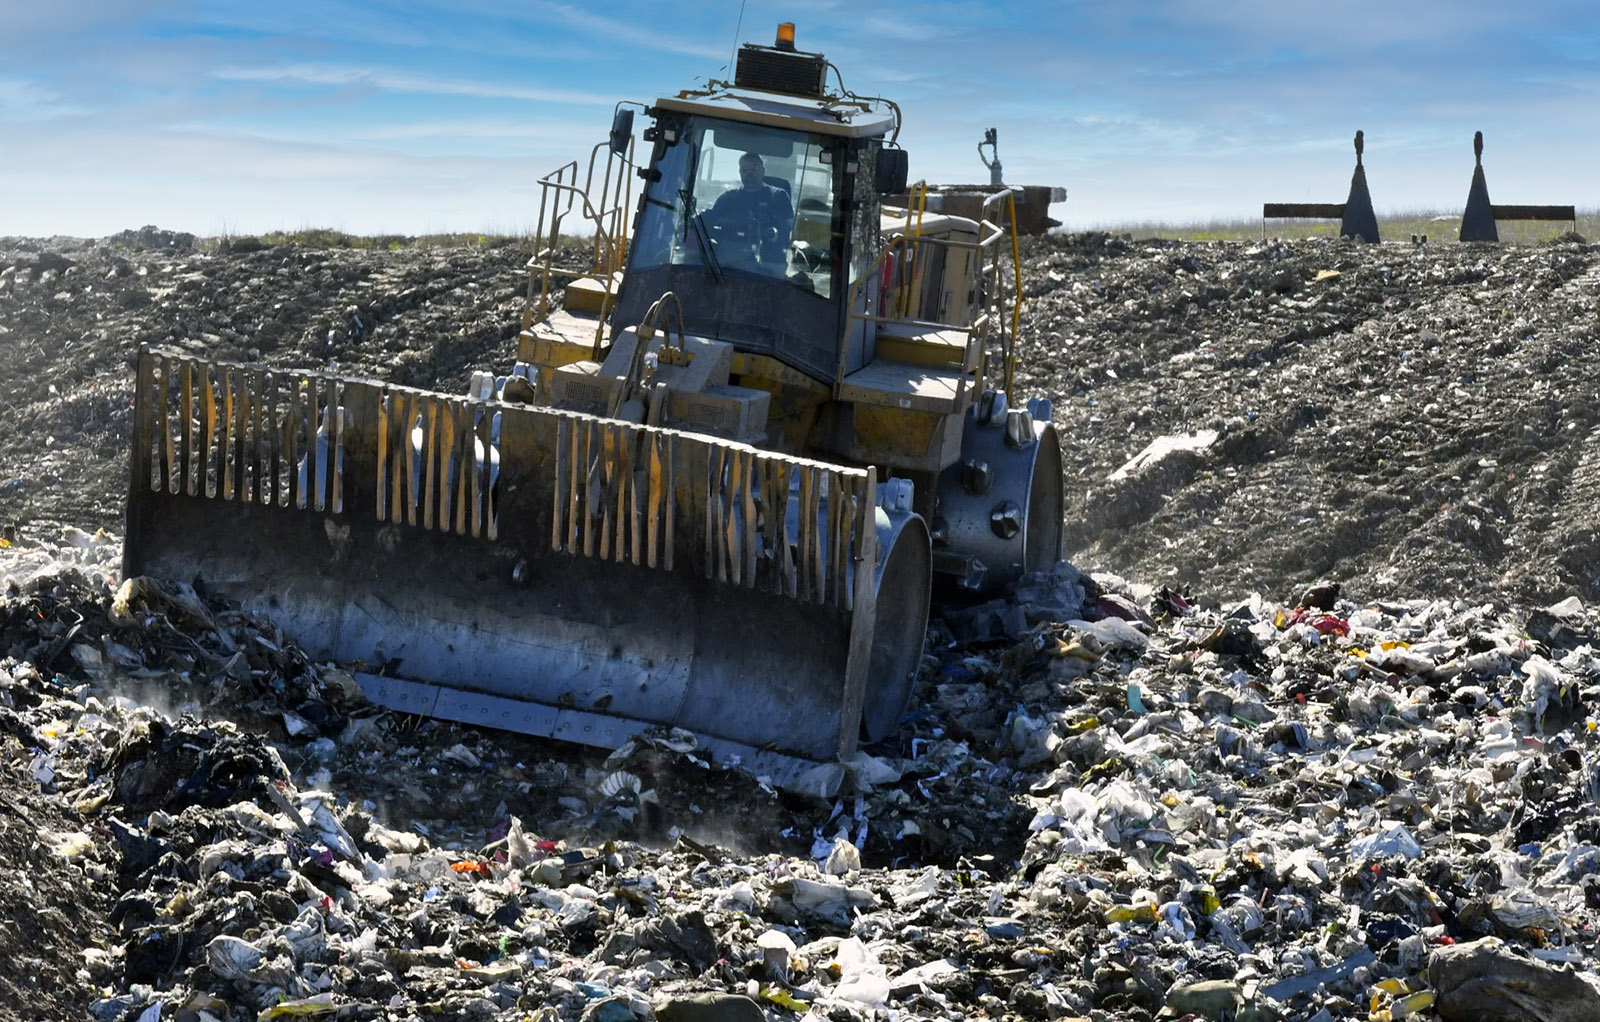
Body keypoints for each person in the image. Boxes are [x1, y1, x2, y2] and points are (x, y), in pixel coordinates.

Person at [706, 152, 793, 268]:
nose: (749, 174)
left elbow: (788, 229)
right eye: (745, 170)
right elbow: (707, 224)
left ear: (762, 170)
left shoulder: (778, 197)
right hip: (729, 266)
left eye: (754, 169)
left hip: (770, 265)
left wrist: (771, 232)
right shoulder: (727, 199)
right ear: (740, 173)